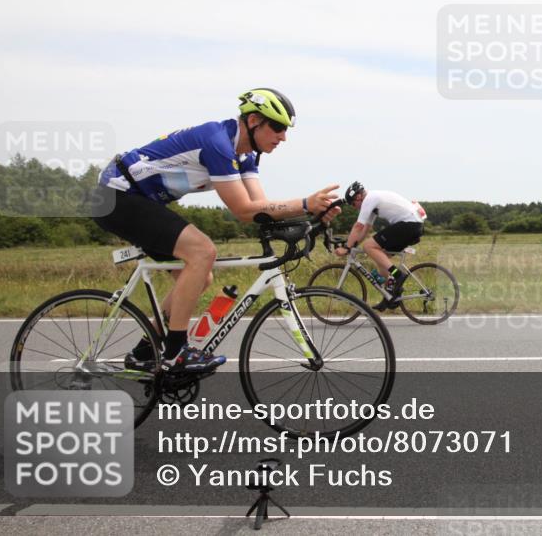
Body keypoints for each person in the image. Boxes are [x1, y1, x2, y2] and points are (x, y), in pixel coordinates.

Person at [92, 88, 341, 373]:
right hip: (116, 197)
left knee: (201, 276)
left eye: (285, 130)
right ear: (254, 121)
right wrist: (306, 202)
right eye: (277, 127)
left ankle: (145, 351)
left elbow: (260, 208)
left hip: (138, 200)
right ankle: (175, 353)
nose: (283, 136)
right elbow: (243, 209)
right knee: (203, 251)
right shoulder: (218, 143)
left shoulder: (244, 155)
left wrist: (311, 214)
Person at [334, 181, 425, 309]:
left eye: (353, 204)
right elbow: (366, 229)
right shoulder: (372, 203)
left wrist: (346, 248)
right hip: (412, 225)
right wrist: (353, 245)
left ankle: (398, 275)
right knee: (382, 261)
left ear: (359, 197)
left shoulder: (370, 199)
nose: (354, 207)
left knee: (368, 246)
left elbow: (358, 226)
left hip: (408, 224)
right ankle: (390, 297)